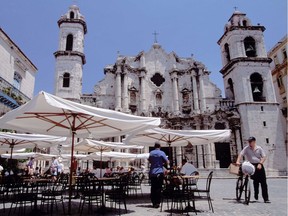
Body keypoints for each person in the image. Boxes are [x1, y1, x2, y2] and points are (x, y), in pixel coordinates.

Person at [236, 136, 270, 203]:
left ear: (254, 142)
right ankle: (256, 193)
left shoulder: (259, 148)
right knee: (255, 180)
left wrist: (260, 163)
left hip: (259, 164)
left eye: (250, 142)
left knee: (263, 182)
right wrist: (237, 161)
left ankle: (266, 198)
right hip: (251, 165)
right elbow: (241, 154)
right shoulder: (246, 148)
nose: (249, 143)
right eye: (248, 142)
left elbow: (264, 157)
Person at [148, 142, 169, 208]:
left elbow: (149, 160)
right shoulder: (162, 153)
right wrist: (162, 162)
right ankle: (157, 202)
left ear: (154, 146)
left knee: (153, 187)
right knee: (159, 188)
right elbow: (167, 161)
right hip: (159, 172)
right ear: (160, 146)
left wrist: (154, 162)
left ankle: (153, 202)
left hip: (152, 172)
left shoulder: (151, 153)